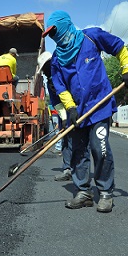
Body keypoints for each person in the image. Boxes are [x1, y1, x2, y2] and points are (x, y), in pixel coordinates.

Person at [42, 10, 128, 213]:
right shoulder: (58, 59)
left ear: (65, 24)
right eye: (50, 34)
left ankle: (105, 193)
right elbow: (60, 88)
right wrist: (71, 108)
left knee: (99, 148)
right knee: (78, 152)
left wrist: (126, 68)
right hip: (78, 113)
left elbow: (119, 47)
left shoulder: (91, 37)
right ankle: (83, 192)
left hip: (100, 107)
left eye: (54, 31)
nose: (53, 36)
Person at [37, 51, 72, 181]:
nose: (45, 72)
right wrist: (63, 118)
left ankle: (79, 172)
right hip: (65, 113)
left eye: (46, 68)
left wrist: (73, 111)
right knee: (66, 142)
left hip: (76, 109)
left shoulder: (64, 72)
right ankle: (67, 169)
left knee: (77, 142)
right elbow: (56, 102)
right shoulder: (49, 82)